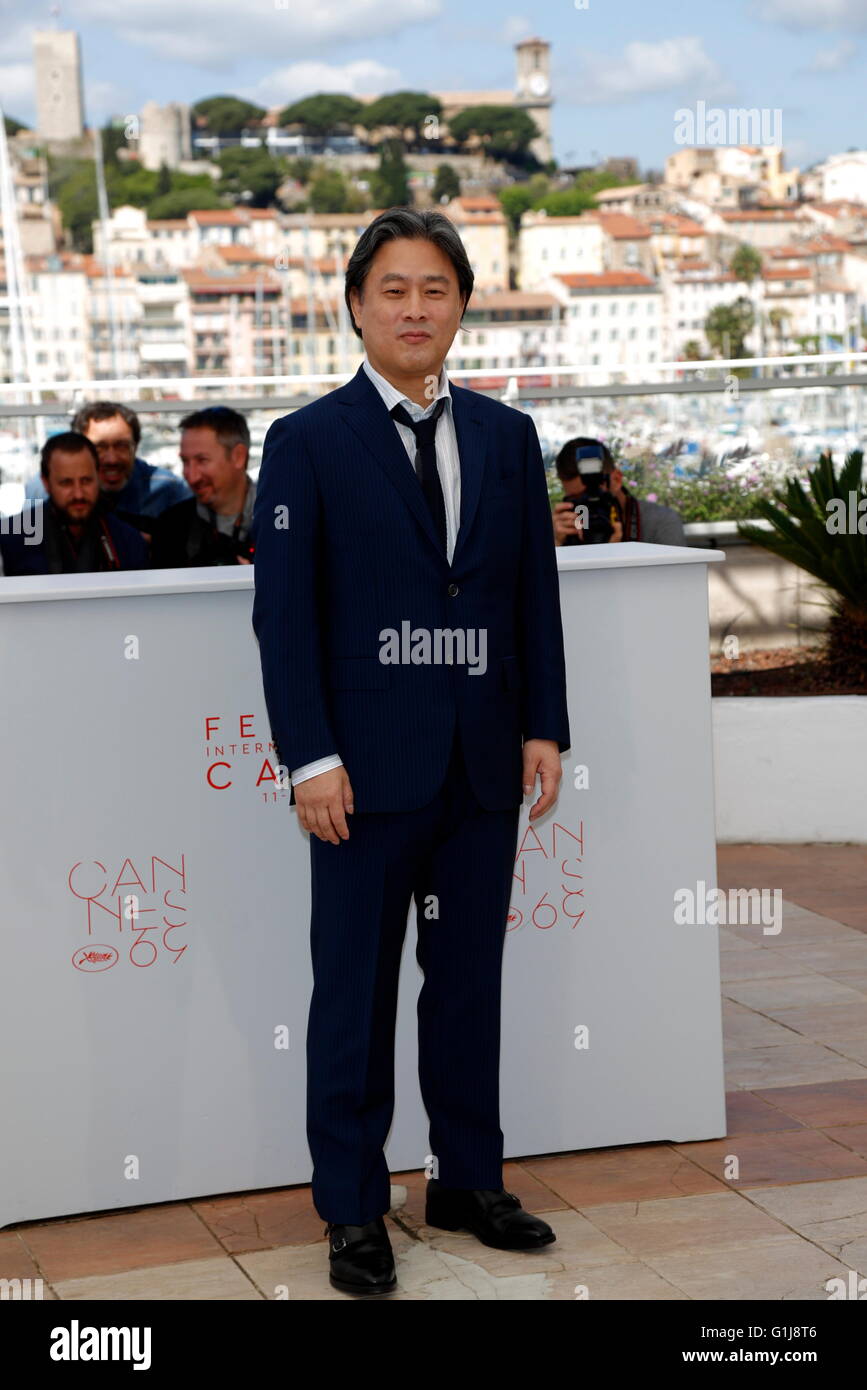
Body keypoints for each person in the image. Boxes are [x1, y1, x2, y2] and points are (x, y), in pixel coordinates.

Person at [252, 208, 570, 1296]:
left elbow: (532, 596)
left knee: (467, 984)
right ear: (355, 306)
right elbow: (283, 620)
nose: (415, 308)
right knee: (354, 995)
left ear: (463, 305)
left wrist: (544, 724)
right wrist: (309, 757)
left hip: (483, 766)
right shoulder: (305, 442)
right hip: (360, 778)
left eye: (435, 288)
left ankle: (465, 1179)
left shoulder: (505, 437)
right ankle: (352, 1207)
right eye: (394, 289)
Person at [24, 401, 191, 537]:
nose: (112, 459)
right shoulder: (40, 489)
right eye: (99, 447)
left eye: (122, 446)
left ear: (136, 446)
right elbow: (26, 548)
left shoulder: (169, 489)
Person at [0, 433, 149, 576]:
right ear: (46, 482)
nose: (78, 494)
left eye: (86, 481)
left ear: (98, 477)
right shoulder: (11, 534)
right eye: (66, 483)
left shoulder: (127, 539)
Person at [150, 407, 255, 567]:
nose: (191, 476)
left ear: (238, 457)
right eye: (185, 462)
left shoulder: (285, 519)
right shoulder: (170, 527)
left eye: (202, 460)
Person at [552, 436, 686, 546]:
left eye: (594, 494)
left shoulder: (660, 522)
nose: (586, 506)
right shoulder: (569, 531)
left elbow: (676, 578)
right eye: (577, 499)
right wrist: (556, 545)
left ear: (616, 479)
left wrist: (613, 553)